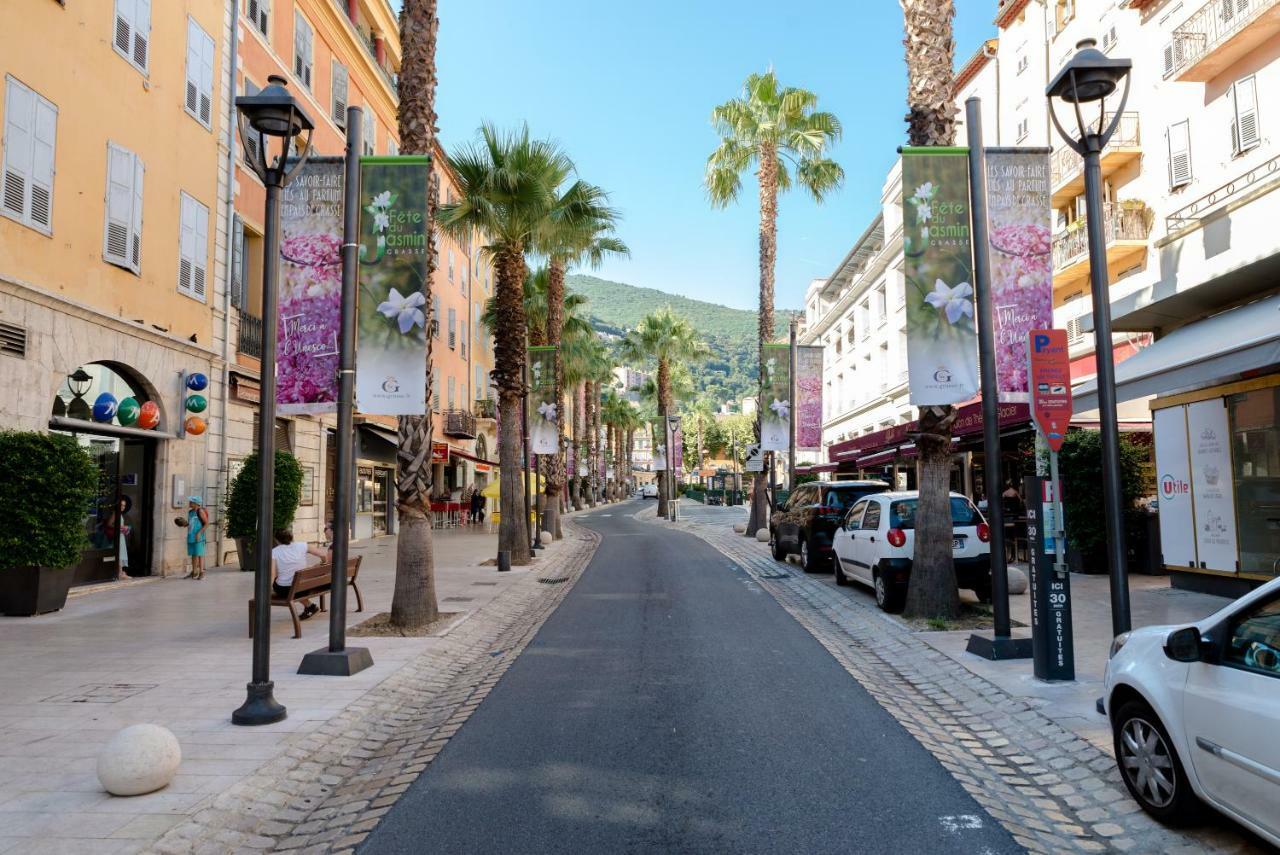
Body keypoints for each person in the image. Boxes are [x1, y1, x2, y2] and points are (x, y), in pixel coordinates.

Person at [271, 530, 328, 620]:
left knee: (281, 582)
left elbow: (272, 574)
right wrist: (323, 562)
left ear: (277, 540)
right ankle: (310, 606)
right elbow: (323, 555)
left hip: (286, 589)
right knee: (295, 583)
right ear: (292, 537)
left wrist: (269, 589)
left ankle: (310, 607)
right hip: (305, 586)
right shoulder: (303, 545)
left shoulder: (274, 552)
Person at [106, 496, 132, 580]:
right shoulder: (115, 513)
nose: (122, 507)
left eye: (124, 505)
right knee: (120, 553)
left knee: (121, 553)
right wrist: (120, 527)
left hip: (121, 536)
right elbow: (109, 524)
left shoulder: (120, 514)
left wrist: (125, 528)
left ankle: (121, 572)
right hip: (117, 536)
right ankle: (120, 573)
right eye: (121, 505)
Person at [184, 496, 209, 580]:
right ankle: (194, 572)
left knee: (200, 554)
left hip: (199, 537)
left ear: (196, 503)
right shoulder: (190, 512)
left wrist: (199, 533)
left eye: (191, 502)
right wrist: (184, 524)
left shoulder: (200, 511)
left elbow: (206, 524)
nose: (189, 503)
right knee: (194, 554)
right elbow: (191, 524)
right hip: (191, 536)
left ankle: (202, 572)